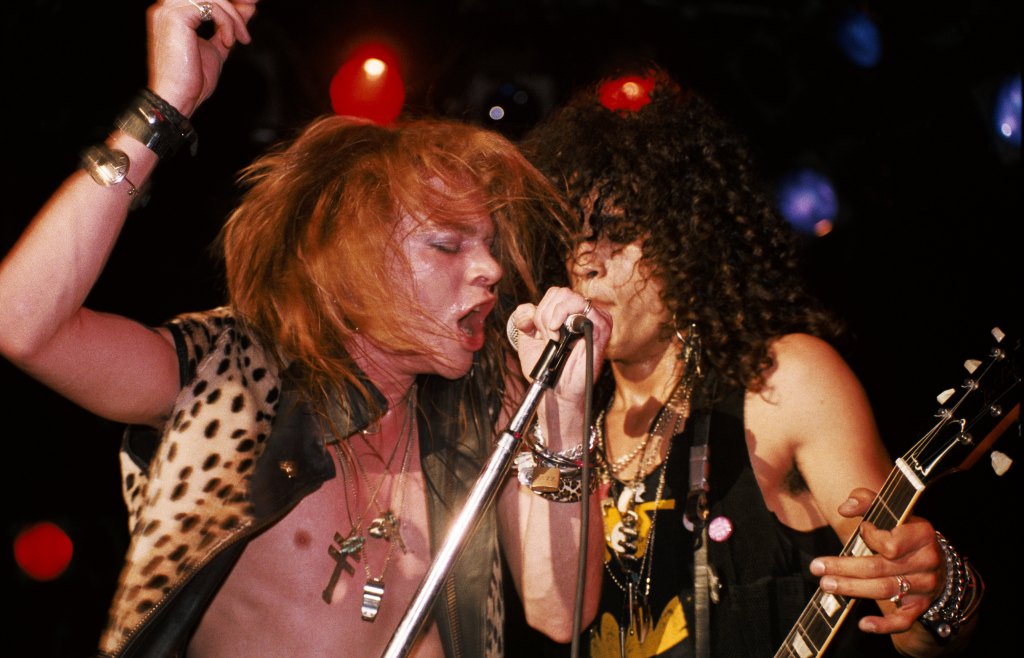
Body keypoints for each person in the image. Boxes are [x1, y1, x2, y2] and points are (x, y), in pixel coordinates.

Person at [0, 1, 607, 656]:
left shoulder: (484, 413)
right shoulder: (230, 373)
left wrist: (565, 415)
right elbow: (23, 324)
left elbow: (559, 613)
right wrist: (160, 111)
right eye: (448, 246)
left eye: (487, 243)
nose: (490, 268)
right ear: (350, 259)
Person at [518, 64, 983, 657]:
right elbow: (549, 615)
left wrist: (939, 588)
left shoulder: (783, 382)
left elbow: (917, 631)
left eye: (616, 232)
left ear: (686, 239)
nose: (587, 261)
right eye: (574, 237)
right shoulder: (560, 416)